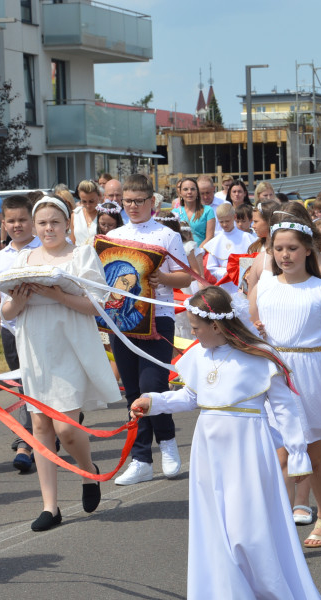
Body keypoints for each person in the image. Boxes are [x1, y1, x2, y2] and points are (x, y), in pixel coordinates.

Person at [131, 287, 321, 600]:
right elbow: (191, 397)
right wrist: (154, 401)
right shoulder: (200, 357)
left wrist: (298, 453)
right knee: (218, 532)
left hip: (248, 448)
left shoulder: (260, 357)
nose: (191, 332)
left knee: (248, 531)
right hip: (210, 449)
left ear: (218, 326)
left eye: (195, 326)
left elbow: (286, 408)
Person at [1, 196, 119, 530]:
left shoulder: (81, 254)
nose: (48, 228)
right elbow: (6, 313)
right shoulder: (24, 257)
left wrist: (58, 296)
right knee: (40, 426)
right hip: (34, 345)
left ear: (67, 223)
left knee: (66, 429)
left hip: (70, 344)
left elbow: (97, 305)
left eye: (54, 222)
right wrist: (18, 301)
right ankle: (50, 506)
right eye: (42, 223)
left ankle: (88, 470)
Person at [250, 219, 321, 547]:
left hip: (312, 373)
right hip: (273, 374)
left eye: (292, 248)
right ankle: (280, 529)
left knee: (314, 454)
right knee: (282, 454)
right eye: (278, 249)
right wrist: (256, 333)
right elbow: (249, 330)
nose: (285, 255)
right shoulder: (264, 286)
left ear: (307, 250)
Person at [108, 175, 191, 485]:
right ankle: (140, 458)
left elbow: (185, 277)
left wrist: (162, 280)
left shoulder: (166, 236)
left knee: (152, 386)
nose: (132, 206)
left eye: (139, 201)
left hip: (159, 318)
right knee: (131, 391)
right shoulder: (115, 234)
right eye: (127, 201)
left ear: (152, 203)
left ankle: (168, 445)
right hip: (124, 320)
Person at [0, 194, 41, 472]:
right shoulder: (1, 257)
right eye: (11, 220)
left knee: (34, 386)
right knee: (24, 387)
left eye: (22, 220)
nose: (17, 225)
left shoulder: (45, 249)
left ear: (32, 221)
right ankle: (38, 434)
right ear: (2, 222)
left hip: (41, 330)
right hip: (10, 330)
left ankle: (26, 442)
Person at [204, 202, 256, 294]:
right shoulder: (216, 241)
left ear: (234, 217)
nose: (224, 224)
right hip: (225, 284)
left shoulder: (247, 238)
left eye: (227, 221)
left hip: (244, 283)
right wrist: (224, 272)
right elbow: (211, 267)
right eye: (221, 221)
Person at [172, 177, 216, 246]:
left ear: (197, 192)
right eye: (185, 189)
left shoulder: (208, 210)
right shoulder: (174, 213)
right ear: (180, 193)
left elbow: (210, 237)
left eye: (192, 189)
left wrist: (198, 252)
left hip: (202, 253)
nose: (189, 192)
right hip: (181, 253)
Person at [72, 179, 101, 247]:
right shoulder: (75, 215)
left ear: (99, 196)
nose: (88, 205)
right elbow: (73, 242)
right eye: (84, 201)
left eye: (91, 201)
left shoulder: (104, 214)